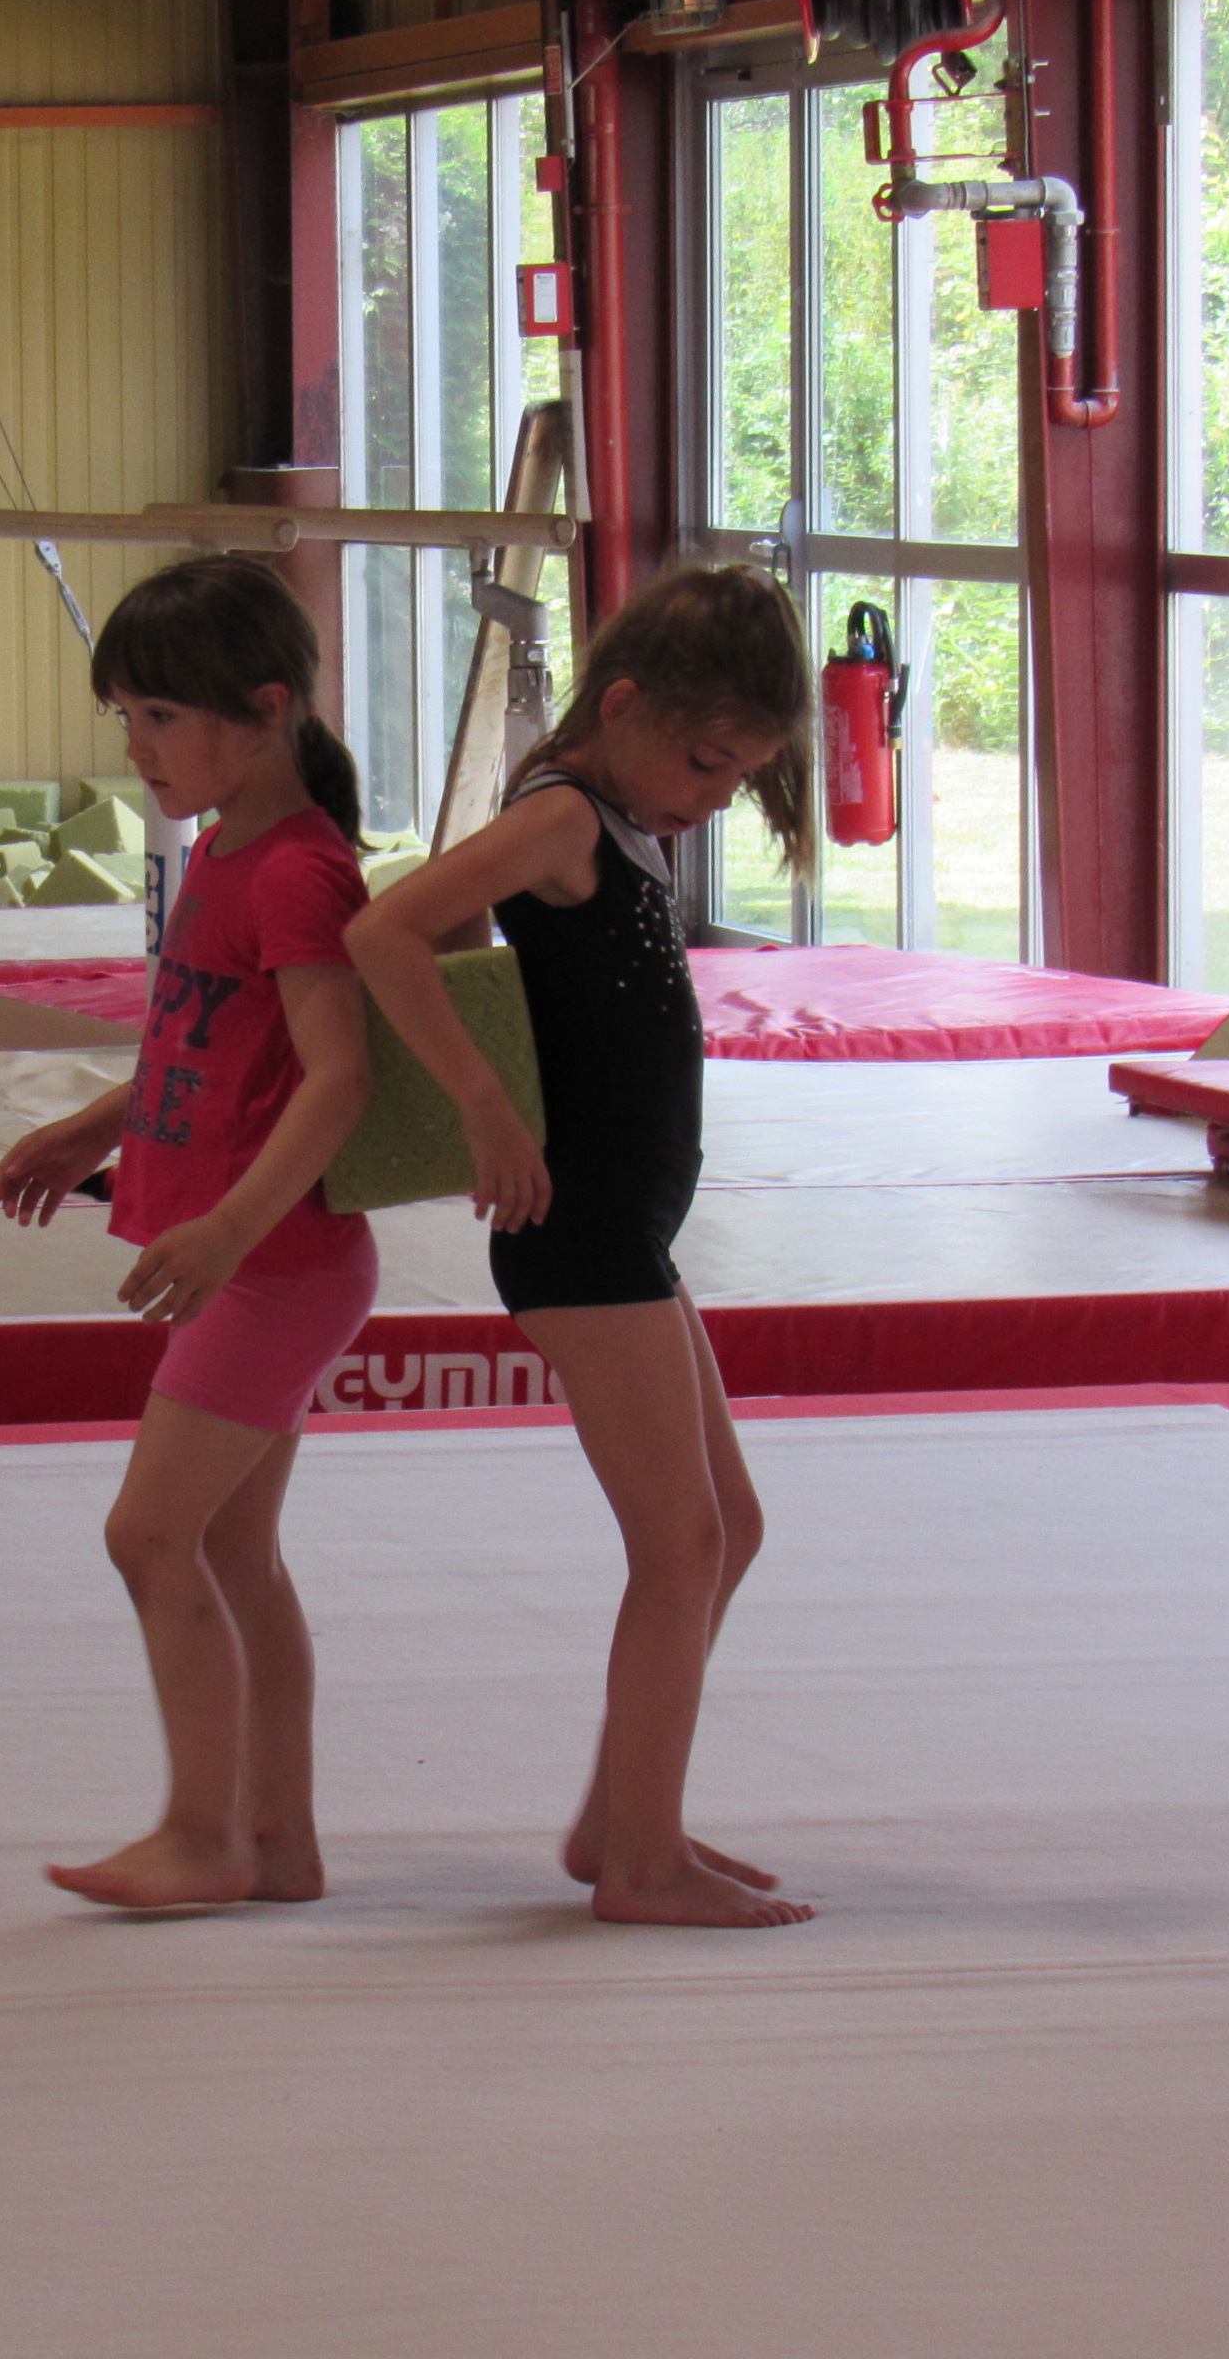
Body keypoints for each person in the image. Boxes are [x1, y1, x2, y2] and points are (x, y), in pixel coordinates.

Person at [344, 563, 820, 1929]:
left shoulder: (609, 814)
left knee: (728, 1528)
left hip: (625, 1234)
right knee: (681, 1544)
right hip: (582, 1233)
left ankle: (620, 1821)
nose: (715, 798)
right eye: (708, 764)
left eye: (740, 778)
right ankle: (641, 1862)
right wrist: (483, 1105)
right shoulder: (559, 817)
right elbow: (385, 931)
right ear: (621, 706)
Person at [0, 555, 377, 1912]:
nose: (137, 748)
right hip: (260, 1257)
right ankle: (280, 1839)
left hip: (277, 1263)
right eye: (127, 718)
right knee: (229, 1553)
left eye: (160, 717)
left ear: (265, 709)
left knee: (150, 1536)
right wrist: (91, 1129)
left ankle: (205, 1834)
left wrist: (223, 1229)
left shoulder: (299, 874)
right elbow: (204, 1043)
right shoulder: (225, 853)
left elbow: (340, 1077)